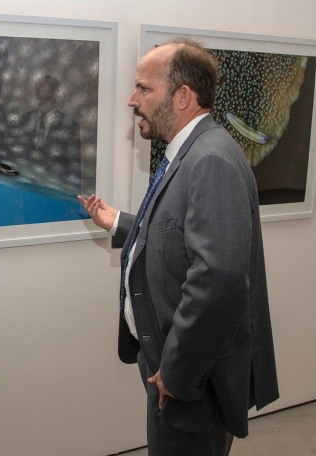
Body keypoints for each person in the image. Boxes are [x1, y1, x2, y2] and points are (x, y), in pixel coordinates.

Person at [78, 38, 278, 455]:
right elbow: (176, 237)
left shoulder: (210, 161)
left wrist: (176, 372)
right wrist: (117, 221)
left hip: (190, 383)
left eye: (144, 89)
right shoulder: (191, 152)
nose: (133, 100)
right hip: (179, 374)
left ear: (183, 96)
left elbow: (219, 277)